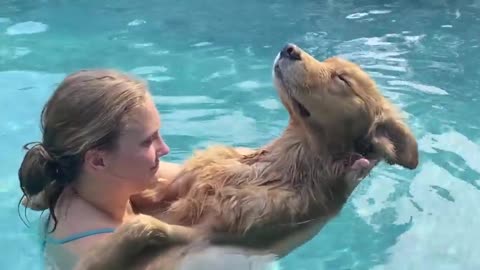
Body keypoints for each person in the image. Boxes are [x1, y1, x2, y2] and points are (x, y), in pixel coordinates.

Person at [18, 69, 377, 270]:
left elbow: (231, 169)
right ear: (98, 159)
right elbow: (251, 255)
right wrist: (336, 196)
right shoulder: (102, 252)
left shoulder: (97, 182)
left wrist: (323, 137)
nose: (164, 149)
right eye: (148, 141)